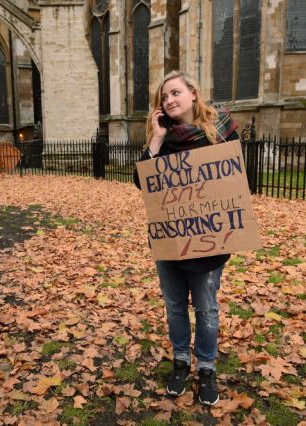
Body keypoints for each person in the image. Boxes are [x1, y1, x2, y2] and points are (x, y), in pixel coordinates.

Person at [133, 70, 239, 406]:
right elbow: (141, 181)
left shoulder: (220, 131)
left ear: (193, 94)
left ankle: (206, 367)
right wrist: (156, 140)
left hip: (208, 242)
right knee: (175, 307)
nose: (169, 100)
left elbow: (234, 179)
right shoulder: (163, 140)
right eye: (164, 97)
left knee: (206, 309)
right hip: (170, 241)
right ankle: (181, 361)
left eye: (175, 93)